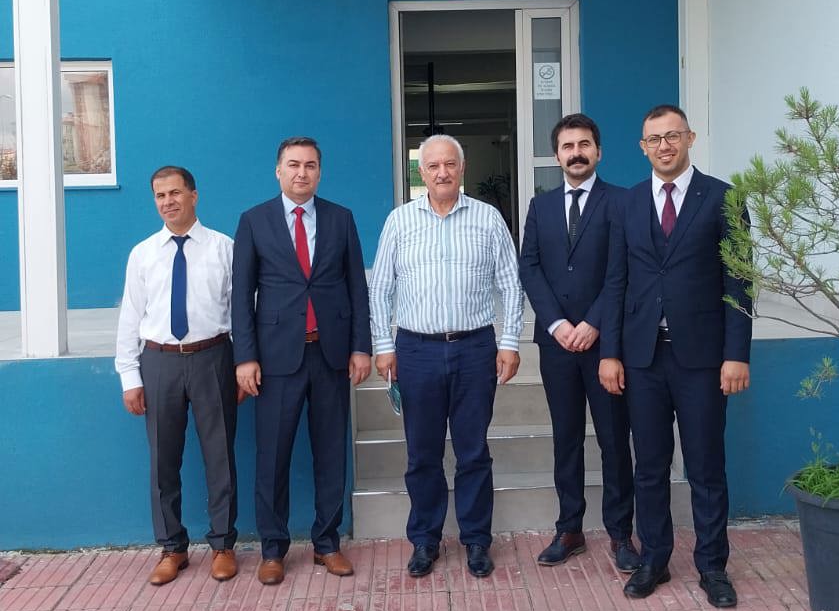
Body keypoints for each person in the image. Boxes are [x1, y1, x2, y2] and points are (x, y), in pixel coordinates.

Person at [598, 104, 751, 607]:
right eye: (654, 139)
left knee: (706, 466)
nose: (663, 146)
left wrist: (736, 354)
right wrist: (610, 353)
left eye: (672, 136)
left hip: (703, 360)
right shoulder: (627, 203)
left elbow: (740, 282)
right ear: (642, 147)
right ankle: (654, 559)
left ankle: (713, 566)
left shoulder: (724, 199)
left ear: (690, 138)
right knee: (649, 466)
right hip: (642, 359)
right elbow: (616, 282)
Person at [369, 134, 523, 579]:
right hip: (416, 350)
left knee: (473, 451)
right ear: (421, 172)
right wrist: (383, 346)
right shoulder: (400, 221)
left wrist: (510, 341)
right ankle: (425, 539)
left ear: (462, 167)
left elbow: (510, 284)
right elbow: (380, 288)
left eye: (449, 164)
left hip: (474, 349)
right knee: (422, 453)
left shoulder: (488, 218)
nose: (442, 173)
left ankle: (476, 539)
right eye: (433, 166)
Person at [232, 137, 371, 584]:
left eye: (310, 165)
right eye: (293, 165)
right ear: (278, 171)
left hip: (330, 355)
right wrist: (245, 357)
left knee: (331, 452)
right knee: (272, 456)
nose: (301, 173)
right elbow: (241, 296)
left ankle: (327, 543)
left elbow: (356, 288)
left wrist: (361, 346)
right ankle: (273, 549)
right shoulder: (253, 221)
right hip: (276, 359)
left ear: (319, 172)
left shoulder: (341, 218)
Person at [520, 113, 637, 570]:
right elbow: (530, 268)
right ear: (556, 156)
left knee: (614, 440)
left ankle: (621, 534)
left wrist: (593, 323)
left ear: (598, 152)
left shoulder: (622, 202)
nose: (576, 153)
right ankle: (569, 529)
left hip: (606, 346)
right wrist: (556, 324)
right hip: (557, 346)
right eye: (568, 146)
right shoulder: (541, 206)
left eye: (584, 144)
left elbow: (624, 270)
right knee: (565, 439)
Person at [115, 166, 238, 585]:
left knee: (220, 455)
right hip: (159, 362)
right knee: (163, 459)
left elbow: (240, 312)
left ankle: (222, 544)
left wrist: (241, 366)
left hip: (212, 357)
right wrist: (130, 377)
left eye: (175, 193)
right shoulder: (143, 254)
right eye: (160, 195)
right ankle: (172, 548)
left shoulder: (224, 248)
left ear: (193, 195)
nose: (168, 202)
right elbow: (130, 318)